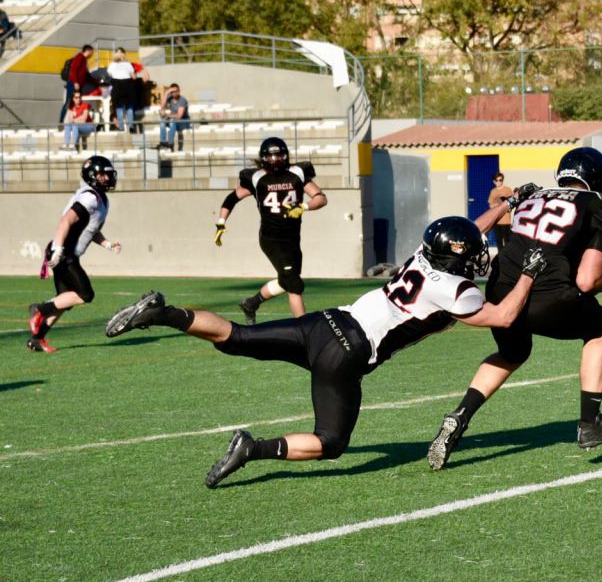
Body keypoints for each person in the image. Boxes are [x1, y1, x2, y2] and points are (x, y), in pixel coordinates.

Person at [104, 208, 549, 488]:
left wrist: (504, 208)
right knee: (331, 441)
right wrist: (528, 274)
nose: (478, 255)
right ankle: (252, 449)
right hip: (348, 352)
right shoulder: (456, 289)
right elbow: (505, 317)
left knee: (236, 337)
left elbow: (466, 232)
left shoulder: (420, 254)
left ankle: (164, 313)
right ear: (455, 258)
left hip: (326, 322)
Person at [428, 146, 602, 471]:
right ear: (597, 179)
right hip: (548, 293)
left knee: (512, 353)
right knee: (598, 328)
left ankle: (460, 416)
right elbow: (588, 280)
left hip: (502, 290)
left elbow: (483, 233)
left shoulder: (534, 197)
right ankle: (590, 424)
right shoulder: (599, 206)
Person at [215, 137, 327, 324]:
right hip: (271, 239)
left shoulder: (297, 173)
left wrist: (305, 207)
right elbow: (232, 198)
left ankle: (251, 303)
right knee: (294, 285)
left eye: (279, 155)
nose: (275, 160)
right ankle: (305, 329)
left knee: (287, 280)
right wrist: (221, 221)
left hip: (292, 238)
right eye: (271, 156)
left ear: (286, 155)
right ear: (264, 157)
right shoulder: (257, 177)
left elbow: (321, 198)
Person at [27, 156, 121, 353]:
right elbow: (65, 222)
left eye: (107, 174)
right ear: (92, 175)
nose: (107, 178)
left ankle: (37, 339)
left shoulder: (100, 199)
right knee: (85, 294)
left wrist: (107, 244)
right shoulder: (89, 197)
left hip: (65, 251)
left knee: (63, 300)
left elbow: (91, 229)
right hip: (64, 251)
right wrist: (59, 250)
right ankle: (39, 309)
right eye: (102, 174)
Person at [105, 48, 137, 132]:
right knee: (129, 107)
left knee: (119, 107)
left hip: (116, 85)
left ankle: (122, 128)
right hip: (128, 85)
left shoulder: (112, 65)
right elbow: (134, 77)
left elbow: (109, 75)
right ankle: (131, 127)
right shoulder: (128, 64)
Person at [157, 83, 190, 150]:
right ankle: (162, 142)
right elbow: (162, 107)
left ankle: (170, 143)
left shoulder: (183, 100)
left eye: (176, 91)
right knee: (162, 120)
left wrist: (166, 114)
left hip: (183, 122)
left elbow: (179, 116)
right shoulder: (170, 98)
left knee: (172, 121)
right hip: (173, 121)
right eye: (172, 92)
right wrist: (166, 92)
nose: (174, 93)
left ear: (179, 91)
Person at [487, 171, 514, 250]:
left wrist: (503, 205)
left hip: (505, 220)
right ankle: (500, 257)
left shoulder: (508, 190)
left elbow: (512, 203)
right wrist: (497, 205)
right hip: (497, 220)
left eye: (500, 180)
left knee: (507, 240)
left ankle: (508, 257)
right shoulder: (493, 191)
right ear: (494, 181)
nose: (499, 182)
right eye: (497, 180)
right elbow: (491, 205)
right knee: (498, 241)